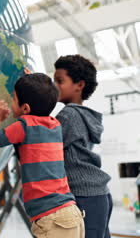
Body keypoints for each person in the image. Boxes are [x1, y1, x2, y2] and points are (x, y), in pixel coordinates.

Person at [0, 73, 84, 238]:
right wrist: (36, 84)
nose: (11, 102)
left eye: (14, 99)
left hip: (51, 219)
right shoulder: (55, 125)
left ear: (26, 108)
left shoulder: (23, 126)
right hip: (71, 212)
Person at [54, 55, 112, 238]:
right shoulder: (86, 116)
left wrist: (34, 95)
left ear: (79, 85)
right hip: (98, 195)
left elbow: (43, 142)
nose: (54, 86)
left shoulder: (68, 115)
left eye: (59, 81)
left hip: (83, 195)